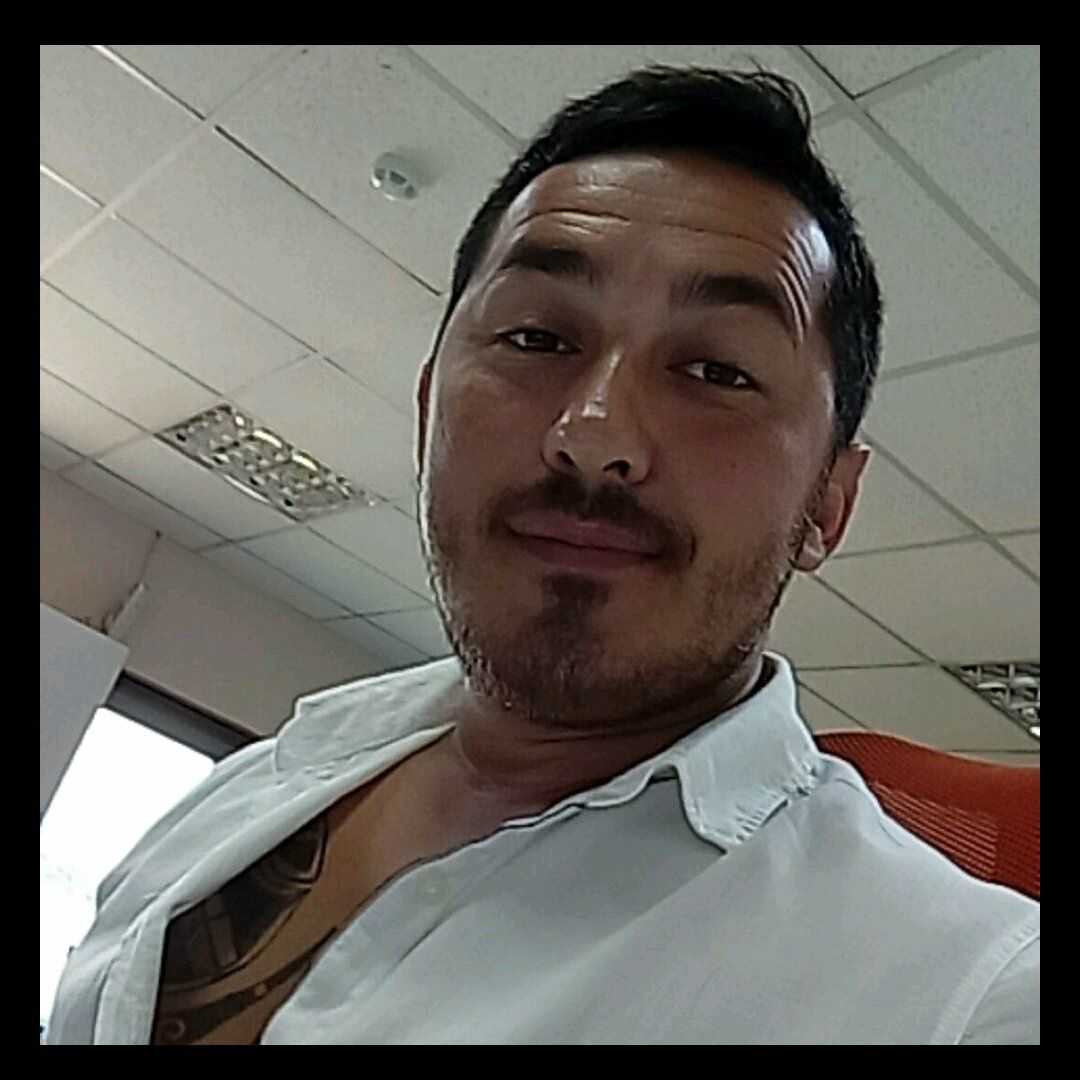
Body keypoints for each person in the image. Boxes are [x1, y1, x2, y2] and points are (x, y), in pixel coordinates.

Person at [46, 66, 1039, 1045]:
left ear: (828, 502)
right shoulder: (249, 789)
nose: (595, 434)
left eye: (715, 370)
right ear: (431, 411)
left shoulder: (966, 998)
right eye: (535, 338)